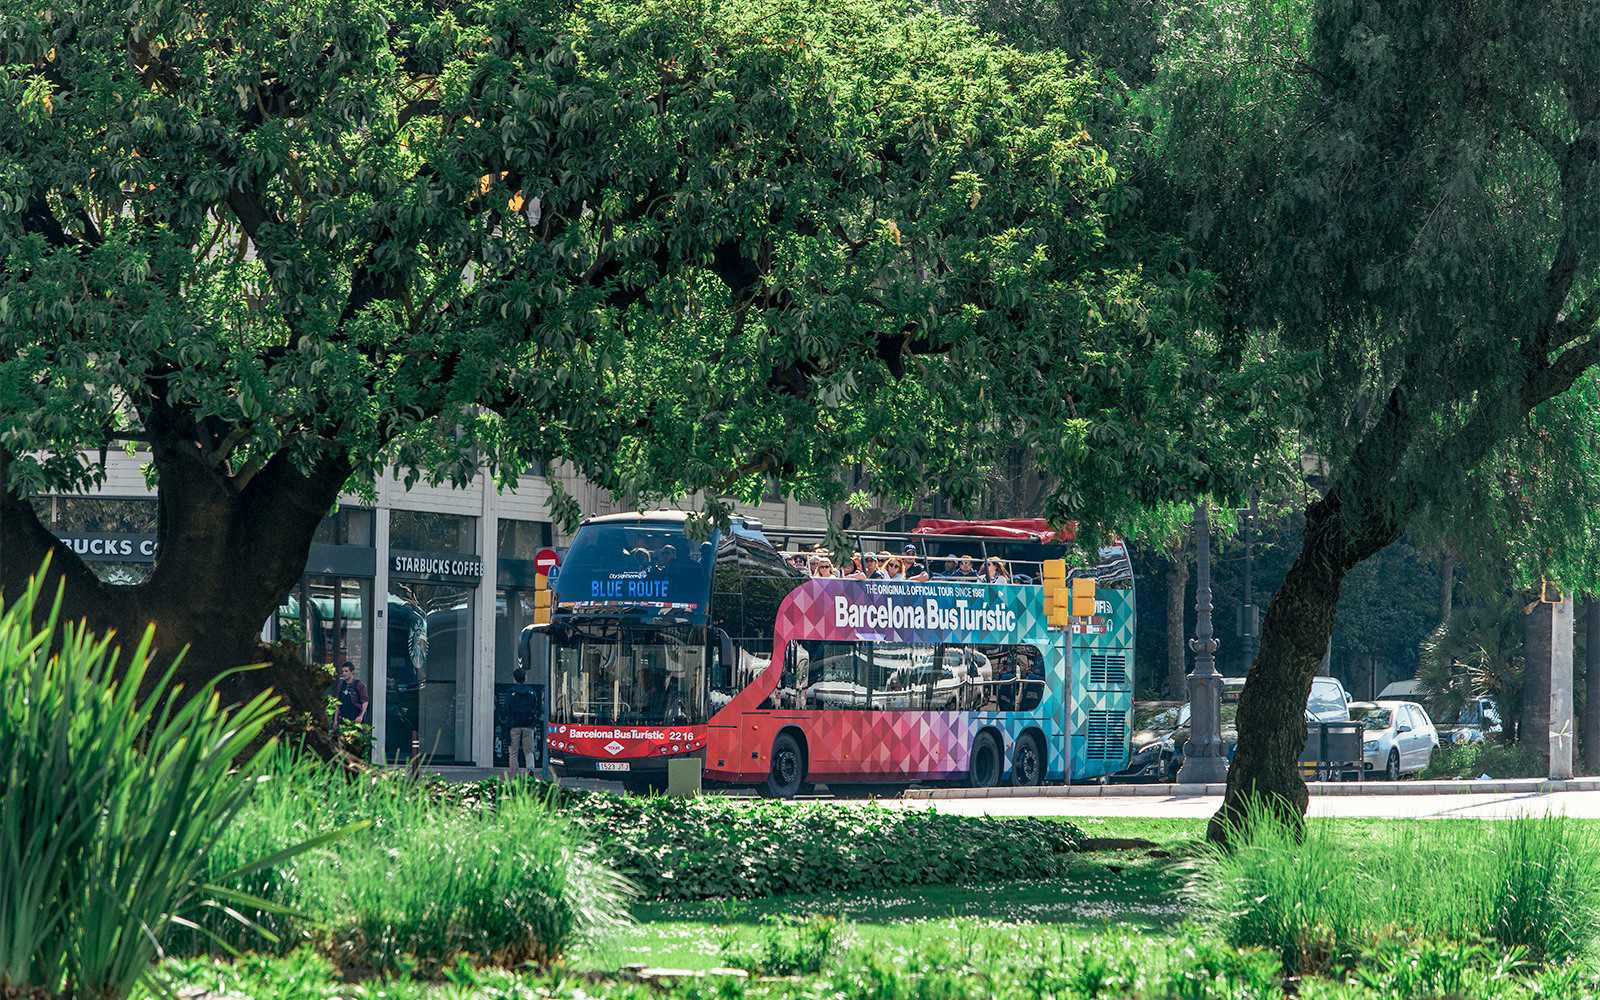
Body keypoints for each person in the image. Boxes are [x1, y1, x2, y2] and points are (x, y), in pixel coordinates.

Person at [504, 667, 542, 773]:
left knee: (513, 753)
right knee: (529, 751)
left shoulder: (511, 692)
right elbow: (536, 708)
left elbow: (505, 709)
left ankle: (514, 777)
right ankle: (530, 768)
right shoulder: (531, 692)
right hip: (528, 725)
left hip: (514, 725)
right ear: (525, 678)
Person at [333, 661, 369, 732]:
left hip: (355, 719)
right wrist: (335, 720)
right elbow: (338, 703)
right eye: (343, 671)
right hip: (343, 719)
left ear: (352, 671)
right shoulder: (341, 686)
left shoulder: (359, 685)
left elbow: (365, 701)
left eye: (346, 671)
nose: (344, 673)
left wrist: (361, 715)